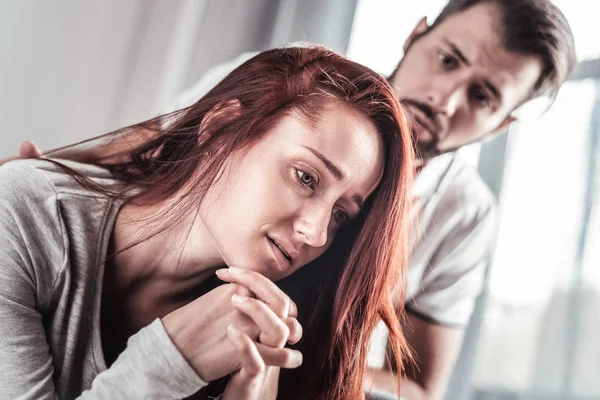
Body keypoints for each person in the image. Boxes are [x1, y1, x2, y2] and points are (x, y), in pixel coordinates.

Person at [3, 1, 577, 398]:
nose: (446, 100)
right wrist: (38, 184)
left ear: (502, 124)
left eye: (482, 95)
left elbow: (421, 386)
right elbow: (157, 150)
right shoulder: (292, 88)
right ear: (416, 34)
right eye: (448, 60)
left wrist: (299, 369)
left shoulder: (464, 218)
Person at [0, 46, 415, 399]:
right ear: (220, 131)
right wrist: (169, 361)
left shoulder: (274, 345)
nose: (317, 232)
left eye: (341, 215)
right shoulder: (23, 217)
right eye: (305, 178)